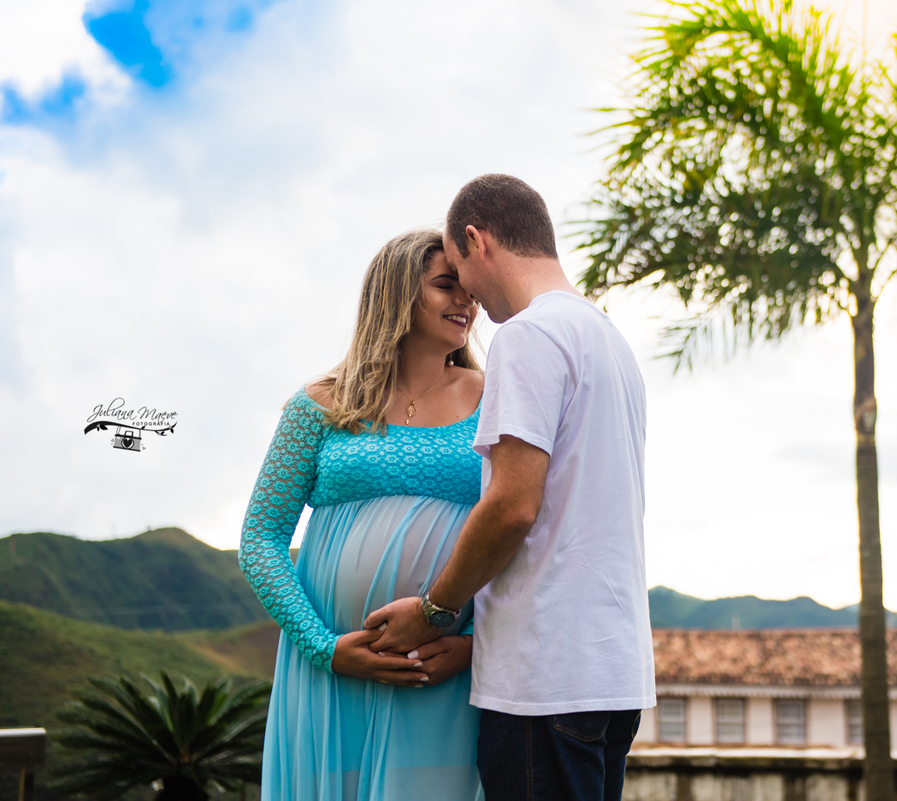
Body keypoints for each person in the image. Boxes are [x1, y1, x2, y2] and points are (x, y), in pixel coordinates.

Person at [363, 174, 656, 801]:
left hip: (544, 677)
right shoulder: (607, 340)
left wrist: (433, 612)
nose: (466, 296)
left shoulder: (527, 336)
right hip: (612, 674)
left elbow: (512, 505)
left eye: (457, 270)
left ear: (475, 242)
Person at [238, 228, 486, 801]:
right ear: (397, 294)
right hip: (330, 675)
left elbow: (523, 535)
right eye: (446, 285)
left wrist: (475, 645)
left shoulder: (496, 395)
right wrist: (324, 647)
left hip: (443, 669)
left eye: (469, 289)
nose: (466, 302)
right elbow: (260, 537)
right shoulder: (319, 404)